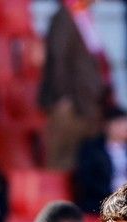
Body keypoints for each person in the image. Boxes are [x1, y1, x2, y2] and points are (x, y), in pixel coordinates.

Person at [40, 0, 111, 171]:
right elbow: (58, 58)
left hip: (88, 103)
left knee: (83, 167)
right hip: (71, 105)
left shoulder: (82, 16)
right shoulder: (65, 15)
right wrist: (62, 97)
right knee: (62, 164)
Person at [74, 108, 127, 215]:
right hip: (99, 202)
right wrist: (112, 196)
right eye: (122, 124)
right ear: (109, 126)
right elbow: (86, 180)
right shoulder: (92, 150)